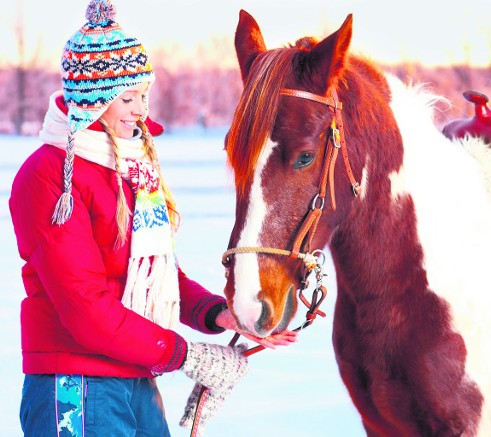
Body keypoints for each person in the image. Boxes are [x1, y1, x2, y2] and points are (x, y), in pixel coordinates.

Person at [9, 1, 297, 435]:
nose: (141, 109)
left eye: (144, 95)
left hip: (136, 380)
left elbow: (154, 274)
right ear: (91, 100)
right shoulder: (52, 176)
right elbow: (86, 308)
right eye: (127, 98)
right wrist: (189, 356)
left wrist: (219, 314)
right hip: (76, 386)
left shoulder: (130, 168)